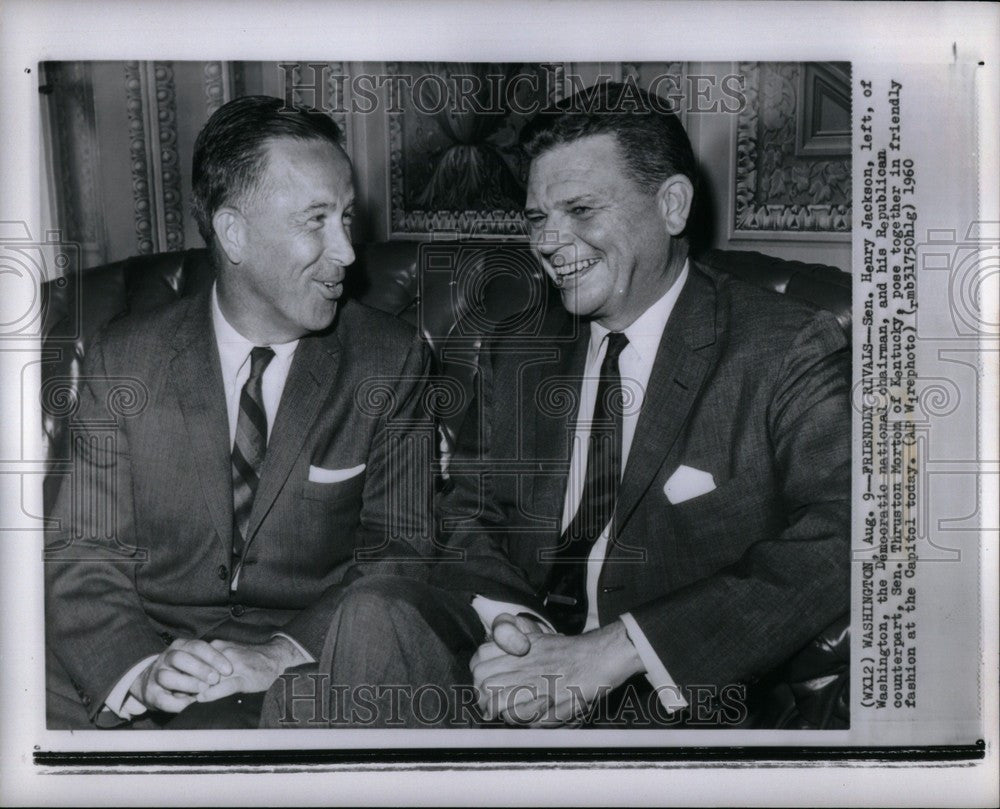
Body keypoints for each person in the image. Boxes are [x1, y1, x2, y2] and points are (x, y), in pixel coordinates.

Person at [262, 81, 851, 729]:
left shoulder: (786, 343)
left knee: (308, 707)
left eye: (580, 209)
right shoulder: (524, 341)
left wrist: (613, 649)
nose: (549, 241)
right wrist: (517, 630)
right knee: (372, 613)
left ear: (672, 205)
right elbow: (472, 507)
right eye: (538, 217)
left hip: (662, 686)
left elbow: (848, 535)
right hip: (510, 652)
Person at [45, 95, 433, 729]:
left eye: (346, 217)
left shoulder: (389, 361)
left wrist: (279, 656)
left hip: (308, 667)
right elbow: (83, 550)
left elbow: (401, 554)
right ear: (233, 233)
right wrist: (141, 673)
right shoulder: (126, 358)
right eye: (316, 220)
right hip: (146, 648)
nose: (347, 252)